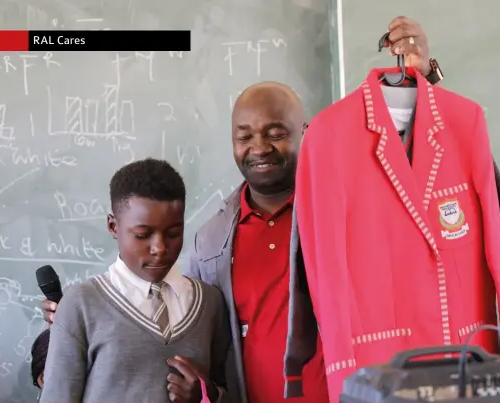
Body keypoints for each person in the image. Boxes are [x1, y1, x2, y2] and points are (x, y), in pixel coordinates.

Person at [40, 16, 437, 403]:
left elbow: (411, 170)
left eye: (276, 133)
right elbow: (172, 312)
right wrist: (78, 317)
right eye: (244, 136)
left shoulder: (348, 205)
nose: (259, 148)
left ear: (306, 132)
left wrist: (424, 82)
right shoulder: (212, 239)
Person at [39, 158, 230, 403]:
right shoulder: (81, 305)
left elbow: (228, 388)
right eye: (142, 235)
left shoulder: (209, 303)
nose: (160, 248)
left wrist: (208, 395)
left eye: (173, 233)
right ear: (113, 226)